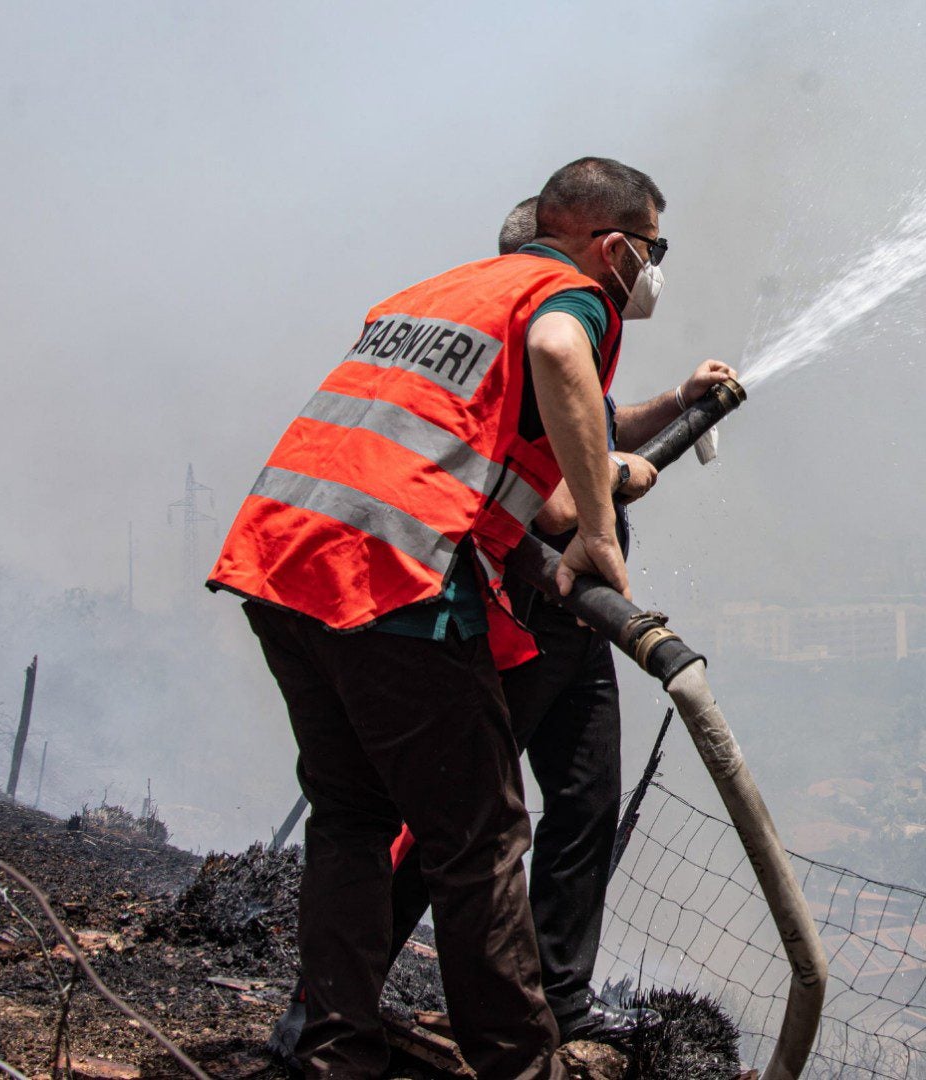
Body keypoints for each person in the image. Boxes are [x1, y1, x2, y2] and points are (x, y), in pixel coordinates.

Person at [210, 157, 694, 1079]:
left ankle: (335, 1054)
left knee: (350, 818)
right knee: (478, 842)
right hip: (392, 579)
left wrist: (665, 408)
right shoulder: (571, 294)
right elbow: (558, 359)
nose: (653, 269)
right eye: (654, 248)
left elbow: (489, 420)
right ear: (615, 244)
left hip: (283, 561)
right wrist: (598, 529)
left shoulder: (444, 291)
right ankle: (524, 1066)